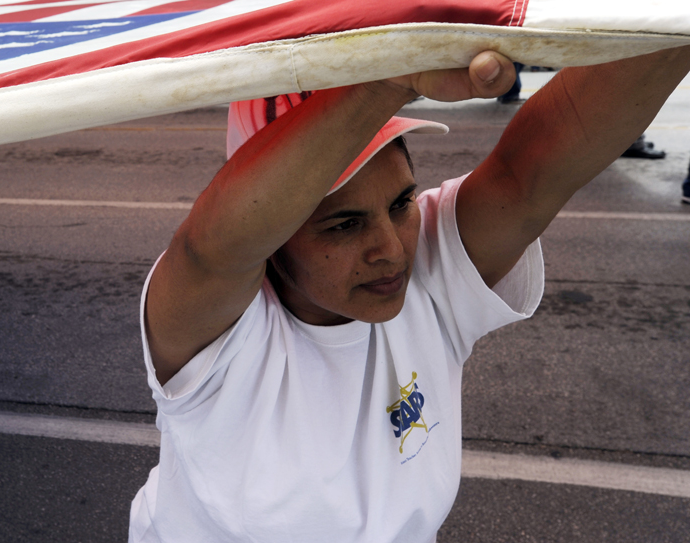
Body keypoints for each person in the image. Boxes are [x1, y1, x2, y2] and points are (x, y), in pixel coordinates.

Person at [129, 46, 690, 542]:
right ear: (273, 240)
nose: (391, 251)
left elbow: (532, 169)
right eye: (344, 225)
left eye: (401, 204)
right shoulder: (217, 339)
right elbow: (214, 248)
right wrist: (393, 78)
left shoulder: (432, 276)